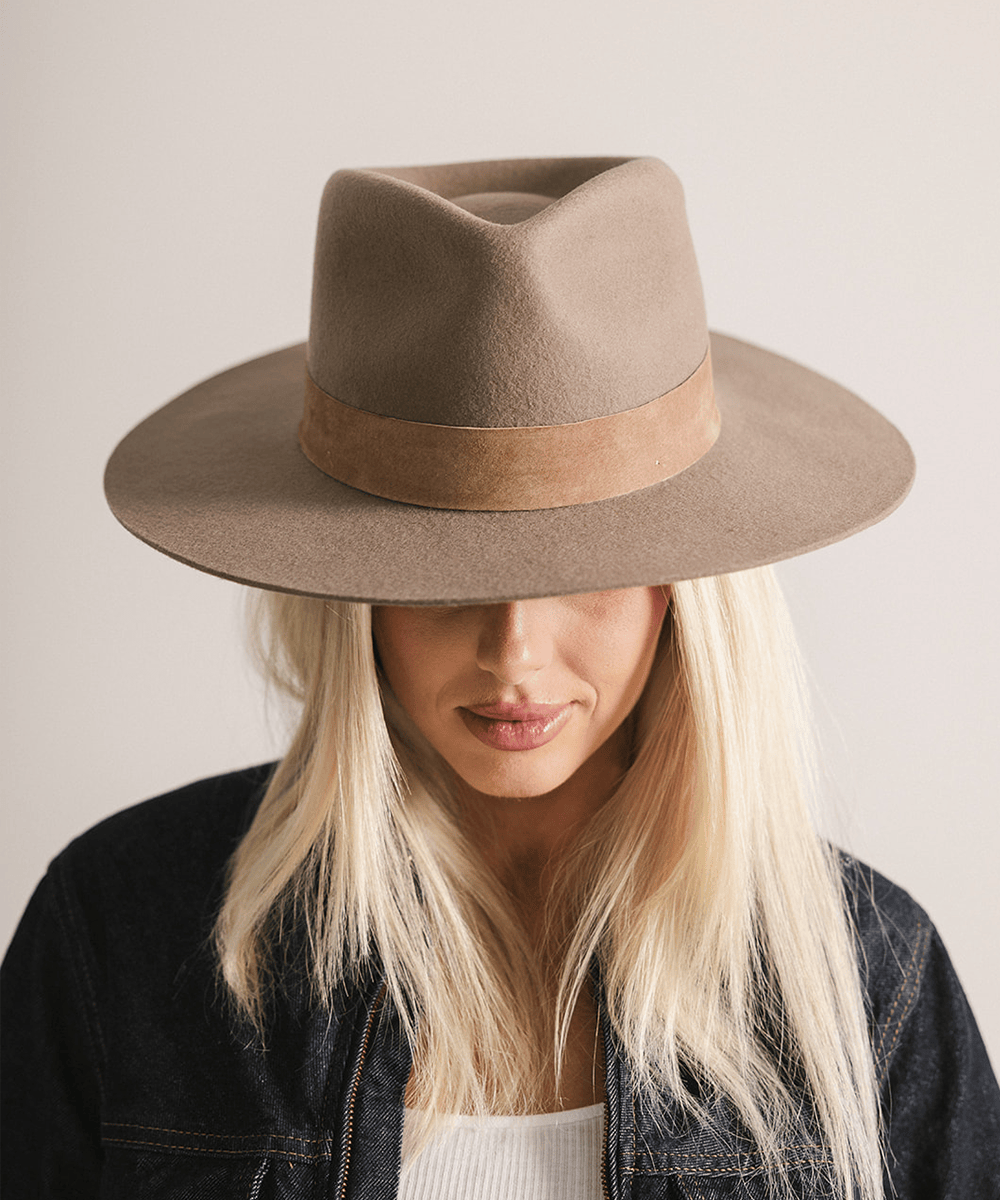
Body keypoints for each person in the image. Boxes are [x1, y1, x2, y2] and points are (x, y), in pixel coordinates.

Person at [2, 156, 998, 1199]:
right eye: (443, 578)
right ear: (353, 601)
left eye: (588, 577)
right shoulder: (121, 930)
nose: (515, 656)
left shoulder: (861, 981)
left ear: (689, 596)